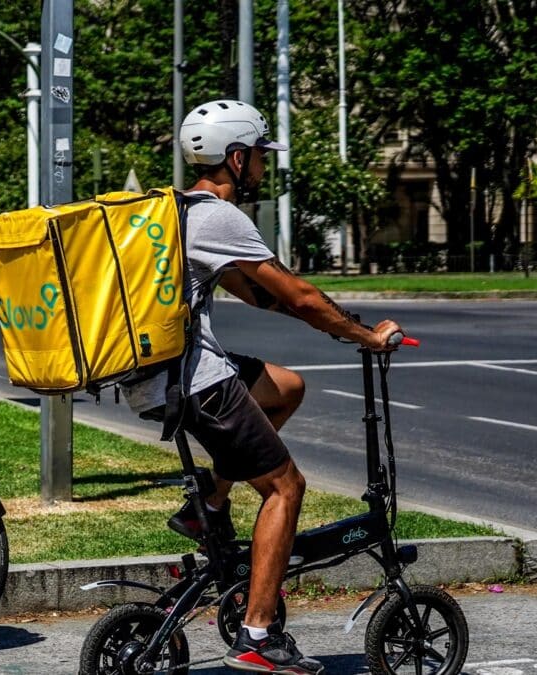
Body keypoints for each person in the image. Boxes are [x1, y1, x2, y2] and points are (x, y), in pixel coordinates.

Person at [123, 99, 402, 675]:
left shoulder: (178, 212)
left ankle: (212, 506)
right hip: (195, 380)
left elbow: (260, 294)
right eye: (257, 158)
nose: (261, 170)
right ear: (236, 157)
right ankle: (257, 636)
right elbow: (296, 295)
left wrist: (336, 324)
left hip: (163, 375)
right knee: (284, 488)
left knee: (287, 387)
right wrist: (365, 337)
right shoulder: (220, 216)